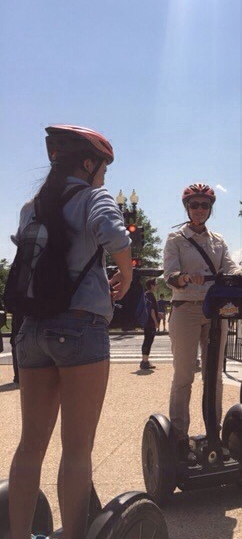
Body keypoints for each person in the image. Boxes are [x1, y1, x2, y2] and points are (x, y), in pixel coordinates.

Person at [8, 125, 132, 539]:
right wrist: (127, 275)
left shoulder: (33, 206)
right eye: (103, 168)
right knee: (77, 450)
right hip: (80, 327)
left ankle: (18, 534)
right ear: (87, 163)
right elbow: (116, 237)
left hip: (32, 331)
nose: (105, 177)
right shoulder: (94, 197)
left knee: (30, 446)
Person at [163, 183, 242, 462]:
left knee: (214, 375)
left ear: (210, 209)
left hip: (216, 310)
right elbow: (169, 271)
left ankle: (213, 432)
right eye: (195, 205)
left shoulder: (217, 240)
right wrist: (182, 277)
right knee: (184, 376)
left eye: (205, 205)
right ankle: (180, 435)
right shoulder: (175, 238)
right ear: (187, 207)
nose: (200, 209)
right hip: (186, 309)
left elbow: (229, 266)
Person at [141, 279, 159, 370]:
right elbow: (152, 310)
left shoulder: (145, 295)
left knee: (146, 340)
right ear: (152, 285)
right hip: (150, 323)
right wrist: (156, 321)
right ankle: (145, 361)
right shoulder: (150, 295)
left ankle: (144, 360)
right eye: (156, 284)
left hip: (146, 322)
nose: (157, 286)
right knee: (148, 341)